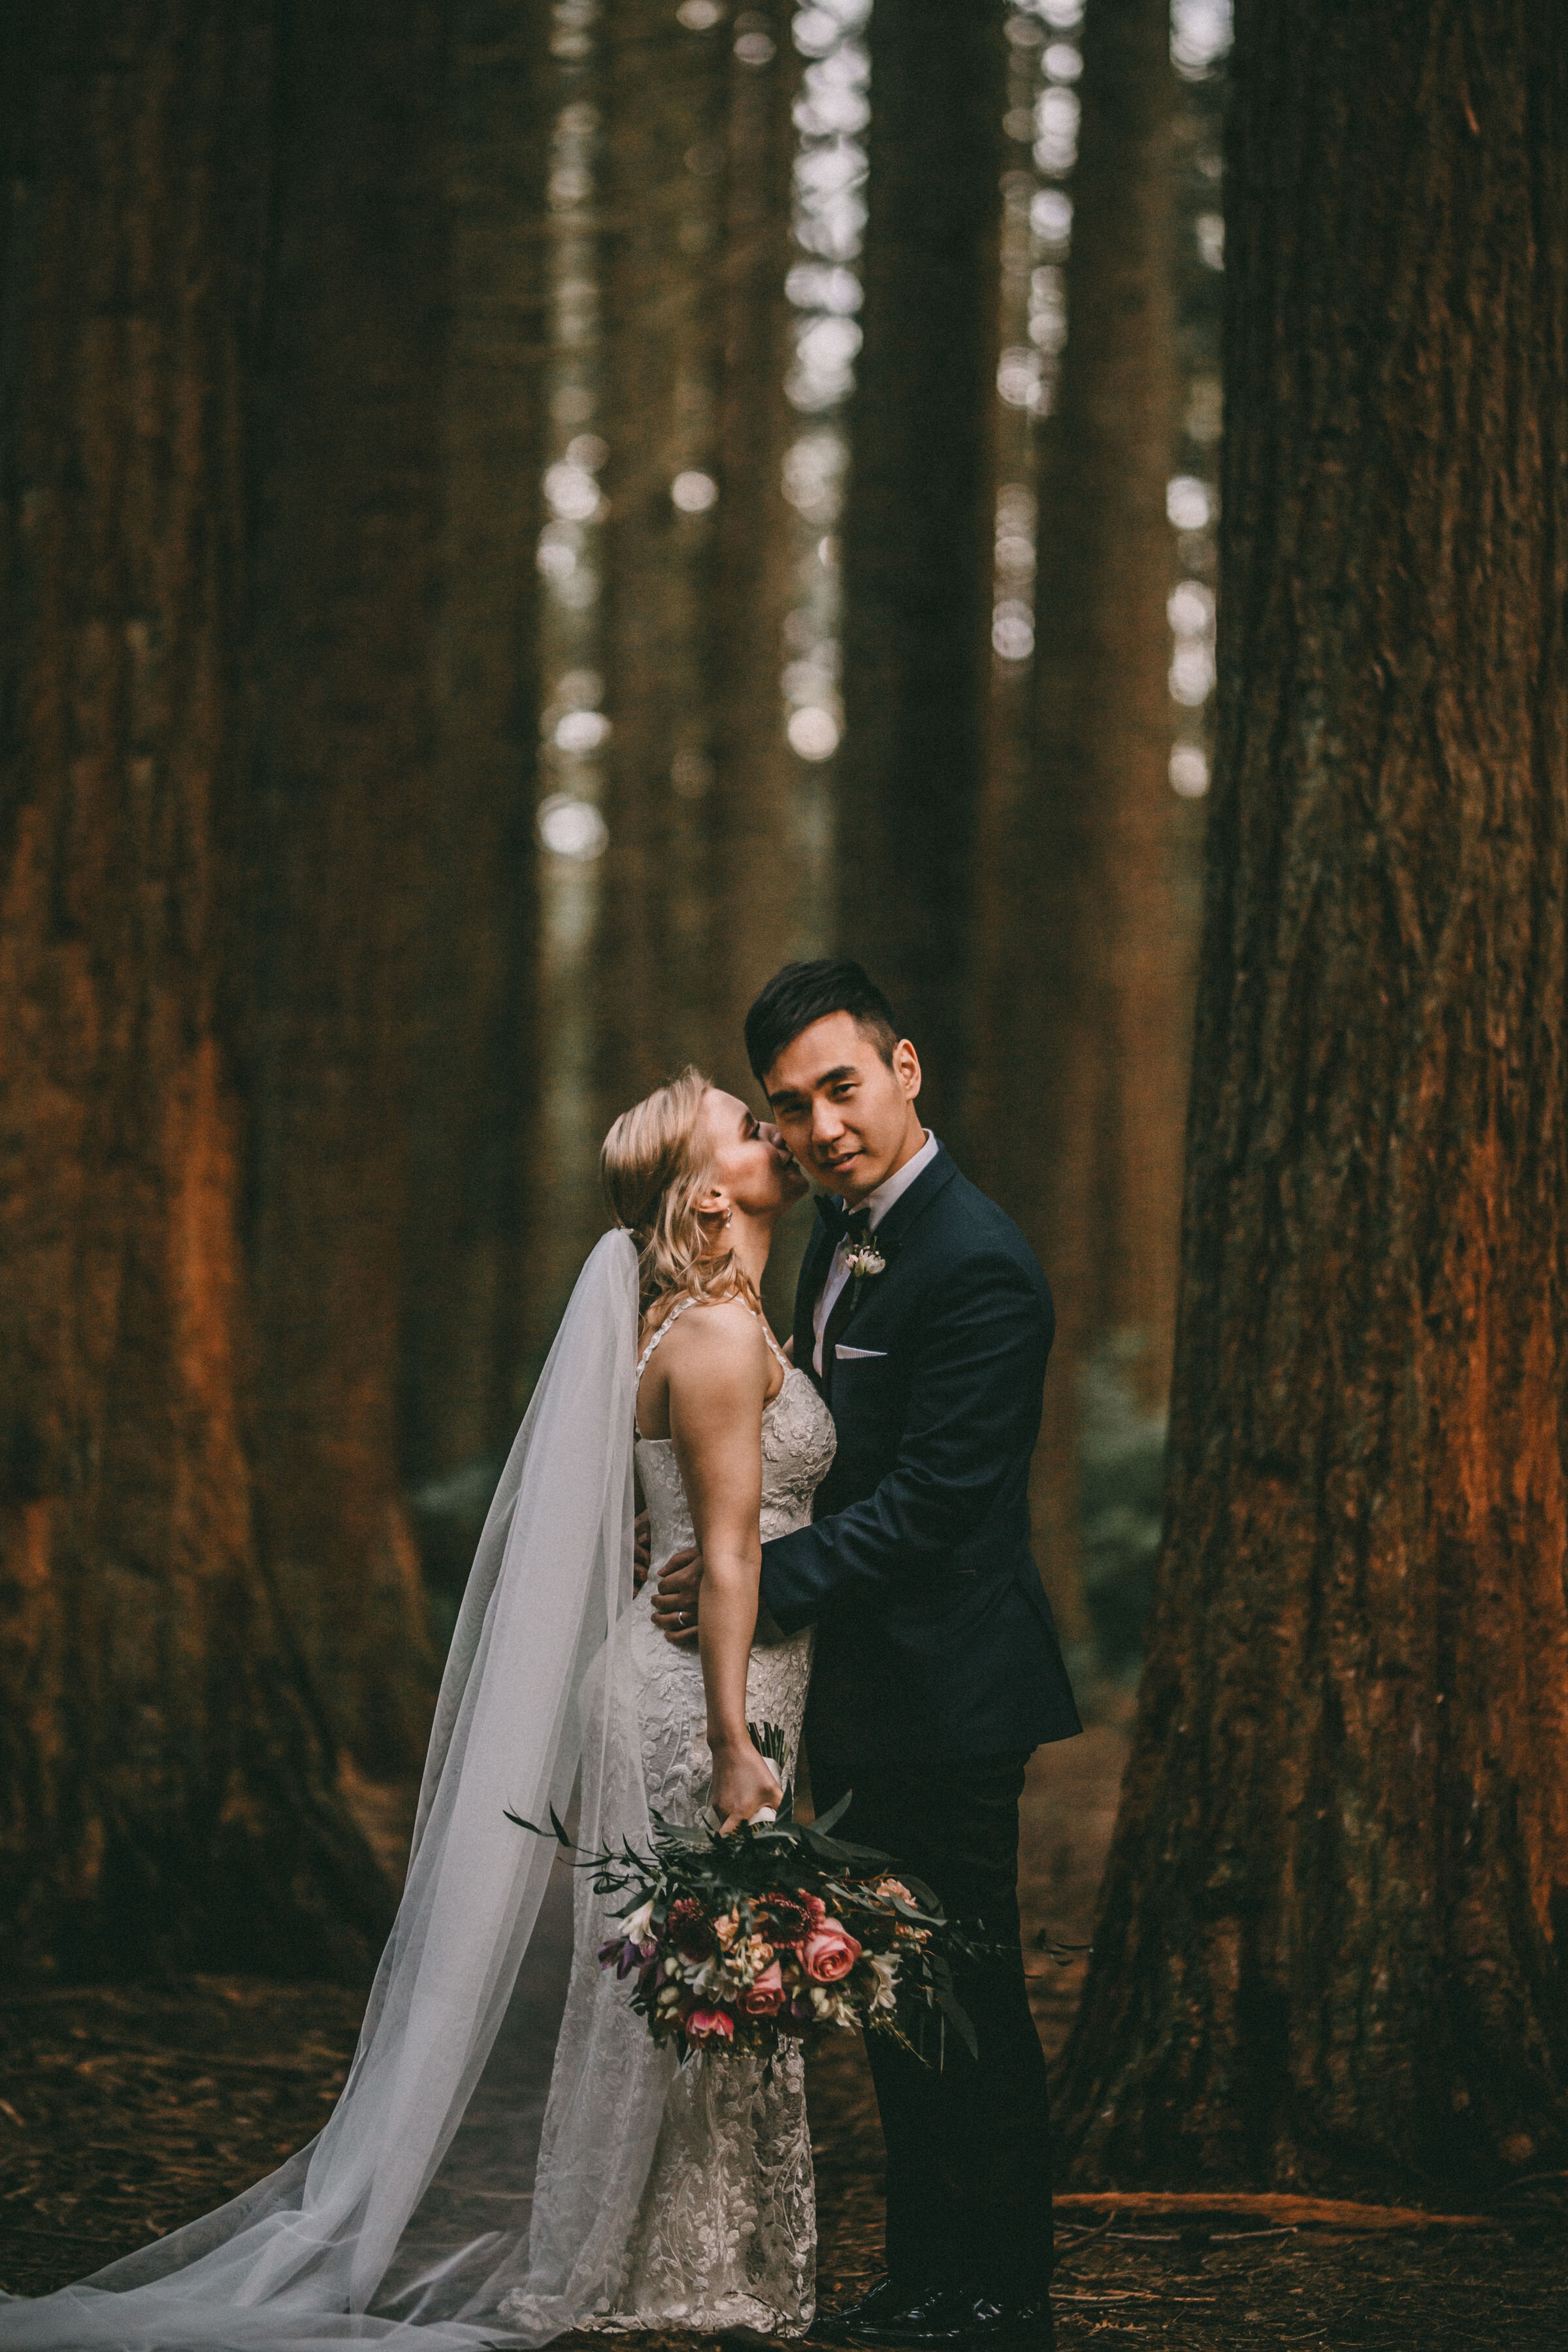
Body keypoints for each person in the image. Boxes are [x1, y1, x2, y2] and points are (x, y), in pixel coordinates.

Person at [0, 1070, 834, 2351]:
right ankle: (673, 2270)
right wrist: (733, 1749)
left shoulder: (709, 1324)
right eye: (743, 1120)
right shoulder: (717, 1341)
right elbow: (727, 1558)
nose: (772, 1129)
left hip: (710, 1678)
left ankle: (678, 2260)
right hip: (700, 1700)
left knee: (696, 1979)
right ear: (711, 1191)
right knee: (707, 1976)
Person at [655, 957, 1082, 2351]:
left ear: (904, 1072)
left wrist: (756, 1585)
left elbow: (939, 1502)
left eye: (843, 1086)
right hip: (865, 1692)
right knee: (894, 1994)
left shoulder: (979, 1260)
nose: (822, 1125)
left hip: (954, 1691)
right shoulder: (843, 1232)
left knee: (970, 1992)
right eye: (791, 1106)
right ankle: (924, 2280)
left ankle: (1001, 2294)